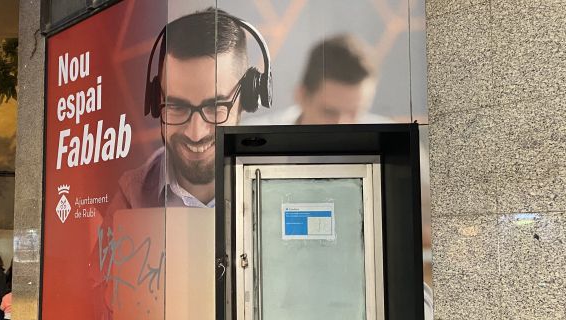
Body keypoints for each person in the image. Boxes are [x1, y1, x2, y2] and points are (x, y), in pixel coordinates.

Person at [109, 8, 268, 210]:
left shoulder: (278, 185)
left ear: (247, 99)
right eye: (177, 106)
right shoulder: (130, 197)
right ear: (157, 101)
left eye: (215, 106)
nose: (195, 133)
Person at [247, 34, 390, 125]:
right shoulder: (249, 146)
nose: (343, 126)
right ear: (301, 96)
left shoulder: (395, 146)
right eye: (330, 112)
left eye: (355, 113)